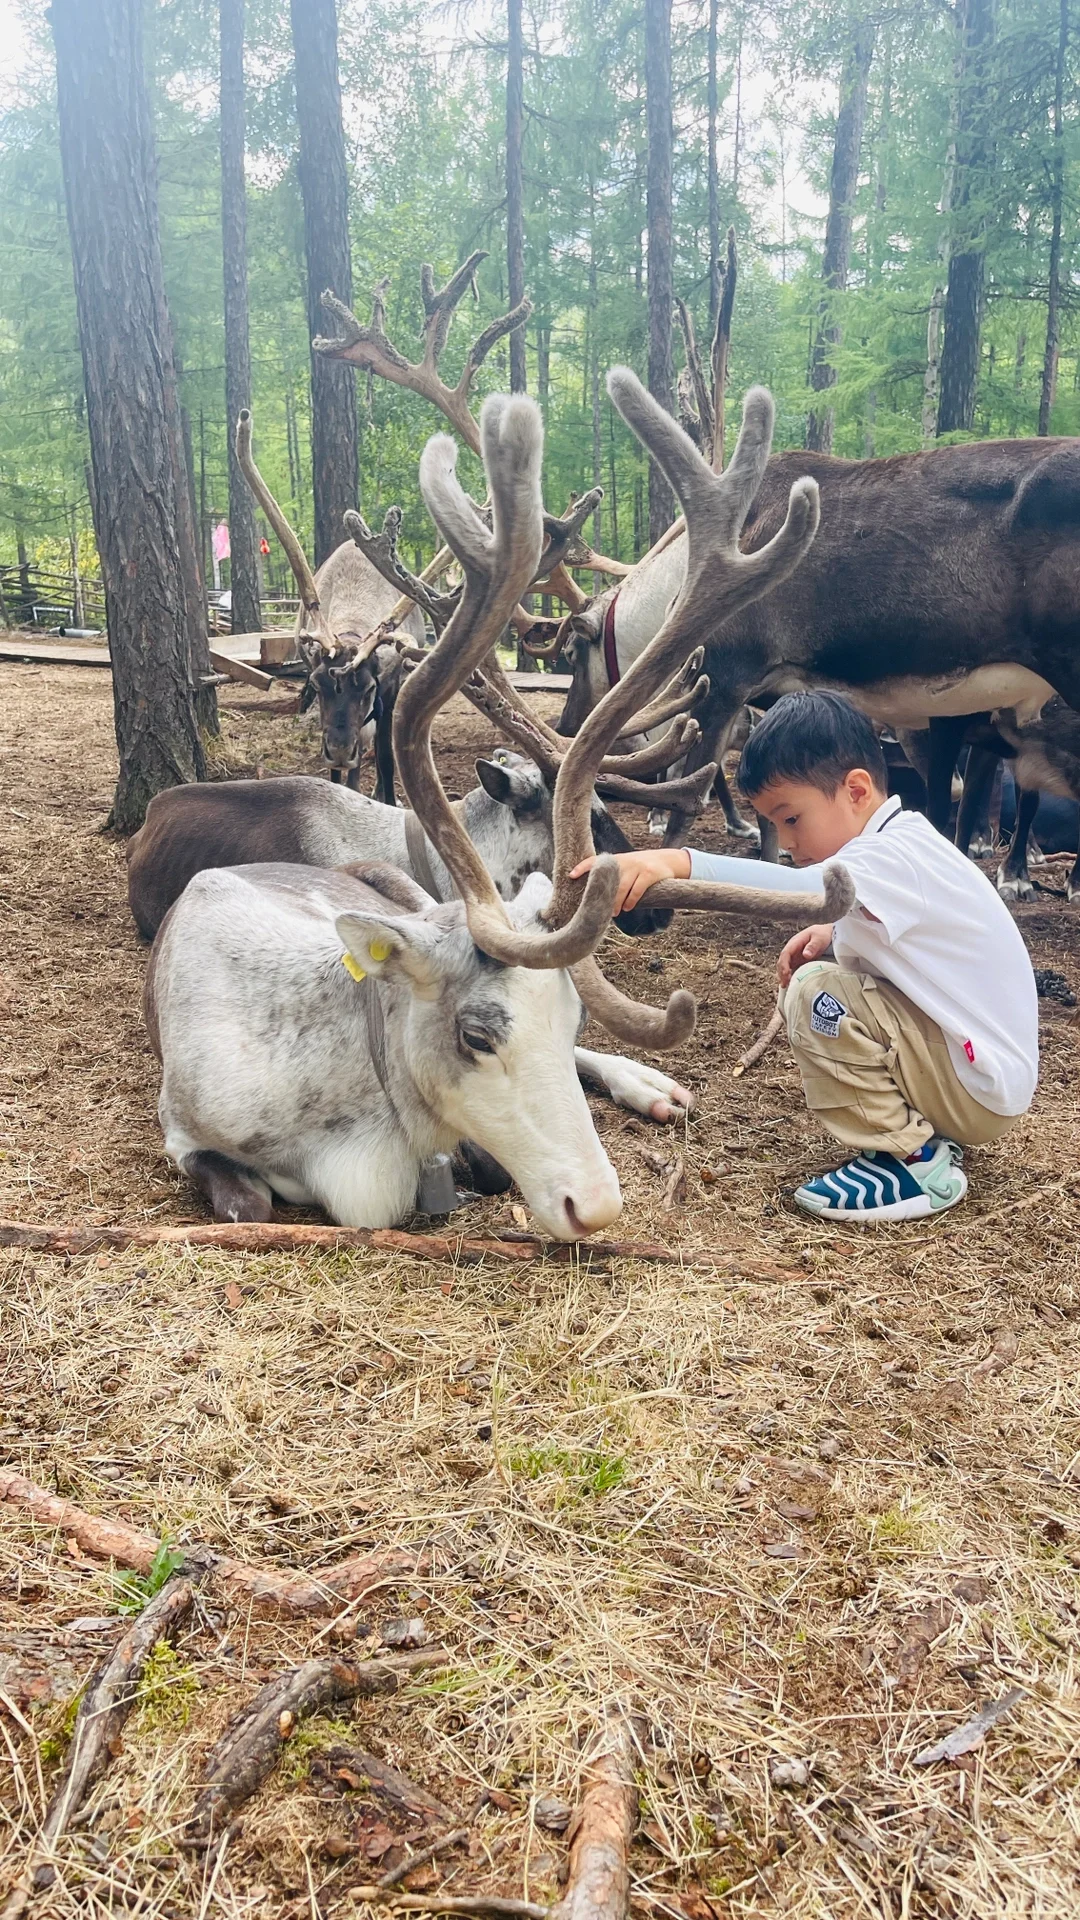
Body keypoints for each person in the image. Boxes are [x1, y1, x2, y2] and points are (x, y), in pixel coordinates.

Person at [571, 691, 1038, 1224]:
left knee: (817, 992)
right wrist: (833, 928)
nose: (787, 842)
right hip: (979, 1079)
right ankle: (921, 1135)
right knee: (821, 977)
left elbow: (796, 886)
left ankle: (916, 1162)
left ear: (855, 791)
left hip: (976, 1089)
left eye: (792, 819)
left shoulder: (891, 855)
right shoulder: (905, 842)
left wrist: (679, 861)